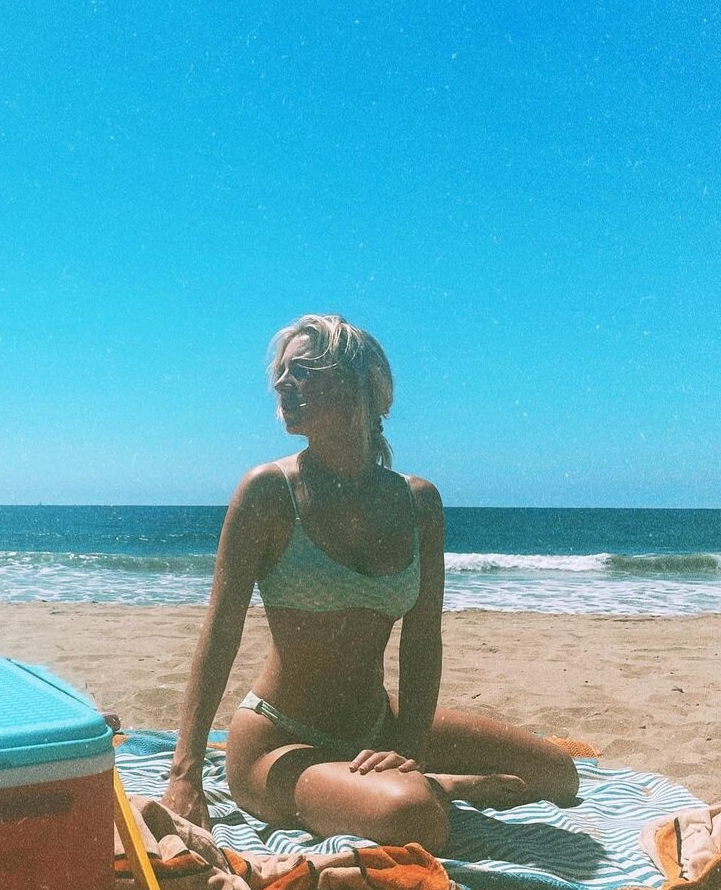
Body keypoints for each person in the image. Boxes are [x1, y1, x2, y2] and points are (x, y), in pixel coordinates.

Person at [162, 314, 579, 852]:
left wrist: (409, 748)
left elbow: (422, 640)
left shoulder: (417, 502)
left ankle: (416, 780)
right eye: (281, 371)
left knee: (558, 775)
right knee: (412, 815)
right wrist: (185, 774)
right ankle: (440, 788)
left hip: (378, 724)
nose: (283, 382)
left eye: (303, 370)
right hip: (280, 742)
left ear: (358, 385)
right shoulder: (268, 492)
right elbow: (221, 632)